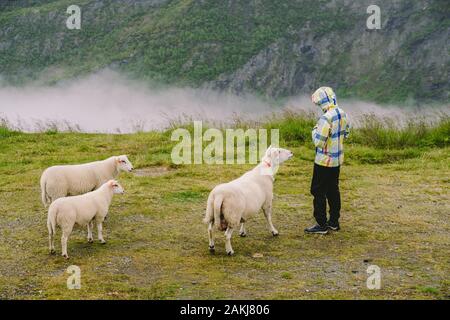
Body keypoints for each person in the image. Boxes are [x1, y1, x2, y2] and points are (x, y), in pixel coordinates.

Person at [305, 87, 350, 234]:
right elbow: (347, 134)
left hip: (323, 161)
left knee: (317, 190)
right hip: (337, 160)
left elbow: (318, 142)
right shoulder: (343, 114)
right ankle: (334, 222)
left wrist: (314, 130)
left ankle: (321, 224)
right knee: (333, 189)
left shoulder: (325, 118)